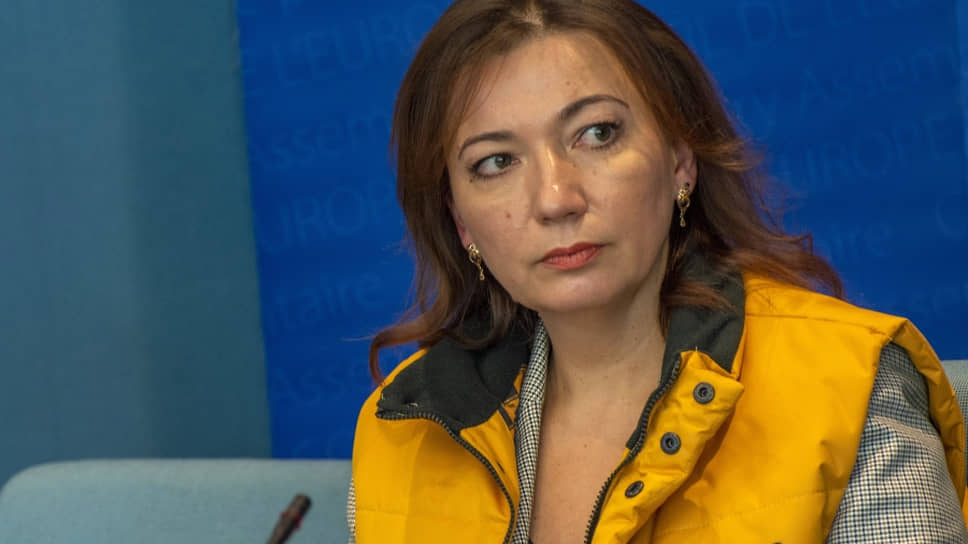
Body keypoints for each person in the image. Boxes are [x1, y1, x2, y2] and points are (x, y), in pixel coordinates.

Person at [348, 0, 968, 542]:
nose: (556, 198)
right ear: (460, 221)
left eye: (596, 133)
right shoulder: (401, 433)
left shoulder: (848, 384)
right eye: (496, 162)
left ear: (679, 159)